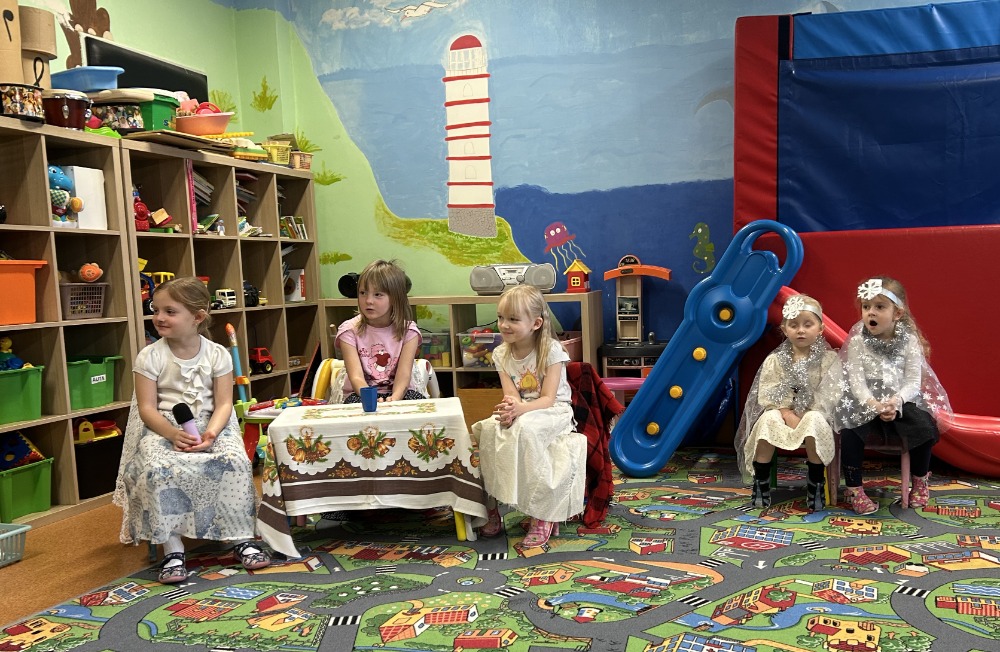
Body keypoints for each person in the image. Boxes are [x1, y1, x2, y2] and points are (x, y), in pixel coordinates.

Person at [113, 277, 270, 583]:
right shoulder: (150, 356)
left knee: (235, 462)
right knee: (158, 468)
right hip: (164, 428)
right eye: (156, 310)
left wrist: (211, 433)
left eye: (170, 311)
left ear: (197, 317)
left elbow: (223, 404)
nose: (159, 317)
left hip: (212, 425)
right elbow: (147, 409)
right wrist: (172, 434)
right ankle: (172, 549)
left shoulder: (217, 354)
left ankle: (241, 538)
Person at [471, 285, 587, 548]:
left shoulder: (551, 350)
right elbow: (511, 394)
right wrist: (509, 410)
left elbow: (548, 398)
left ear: (536, 323)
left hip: (554, 410)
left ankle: (542, 513)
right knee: (488, 429)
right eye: (501, 317)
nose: (504, 325)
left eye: (513, 319)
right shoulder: (501, 353)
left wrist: (520, 410)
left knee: (526, 431)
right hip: (523, 409)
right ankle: (492, 506)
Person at [834, 276, 952, 515]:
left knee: (924, 426)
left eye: (879, 307)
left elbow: (913, 382)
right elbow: (856, 382)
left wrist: (895, 402)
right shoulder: (857, 342)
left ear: (897, 313)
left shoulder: (908, 341)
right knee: (849, 428)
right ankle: (855, 489)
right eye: (866, 307)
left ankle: (919, 480)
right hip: (867, 400)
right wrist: (873, 404)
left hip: (900, 398)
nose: (871, 312)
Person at [734, 294, 839, 512]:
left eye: (807, 325)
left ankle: (815, 483)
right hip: (783, 414)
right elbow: (769, 391)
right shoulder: (776, 360)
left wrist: (806, 412)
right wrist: (786, 412)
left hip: (813, 414)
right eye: (794, 325)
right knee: (767, 419)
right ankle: (761, 482)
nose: (801, 330)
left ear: (820, 329)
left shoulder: (828, 359)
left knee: (814, 420)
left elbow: (830, 393)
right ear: (784, 329)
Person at [335, 259, 425, 403]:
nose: (368, 301)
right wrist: (371, 399)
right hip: (361, 393)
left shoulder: (409, 331)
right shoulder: (349, 330)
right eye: (363, 293)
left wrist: (394, 399)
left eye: (377, 294)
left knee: (419, 404)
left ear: (395, 298)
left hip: (399, 393)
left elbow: (404, 375)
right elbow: (356, 377)